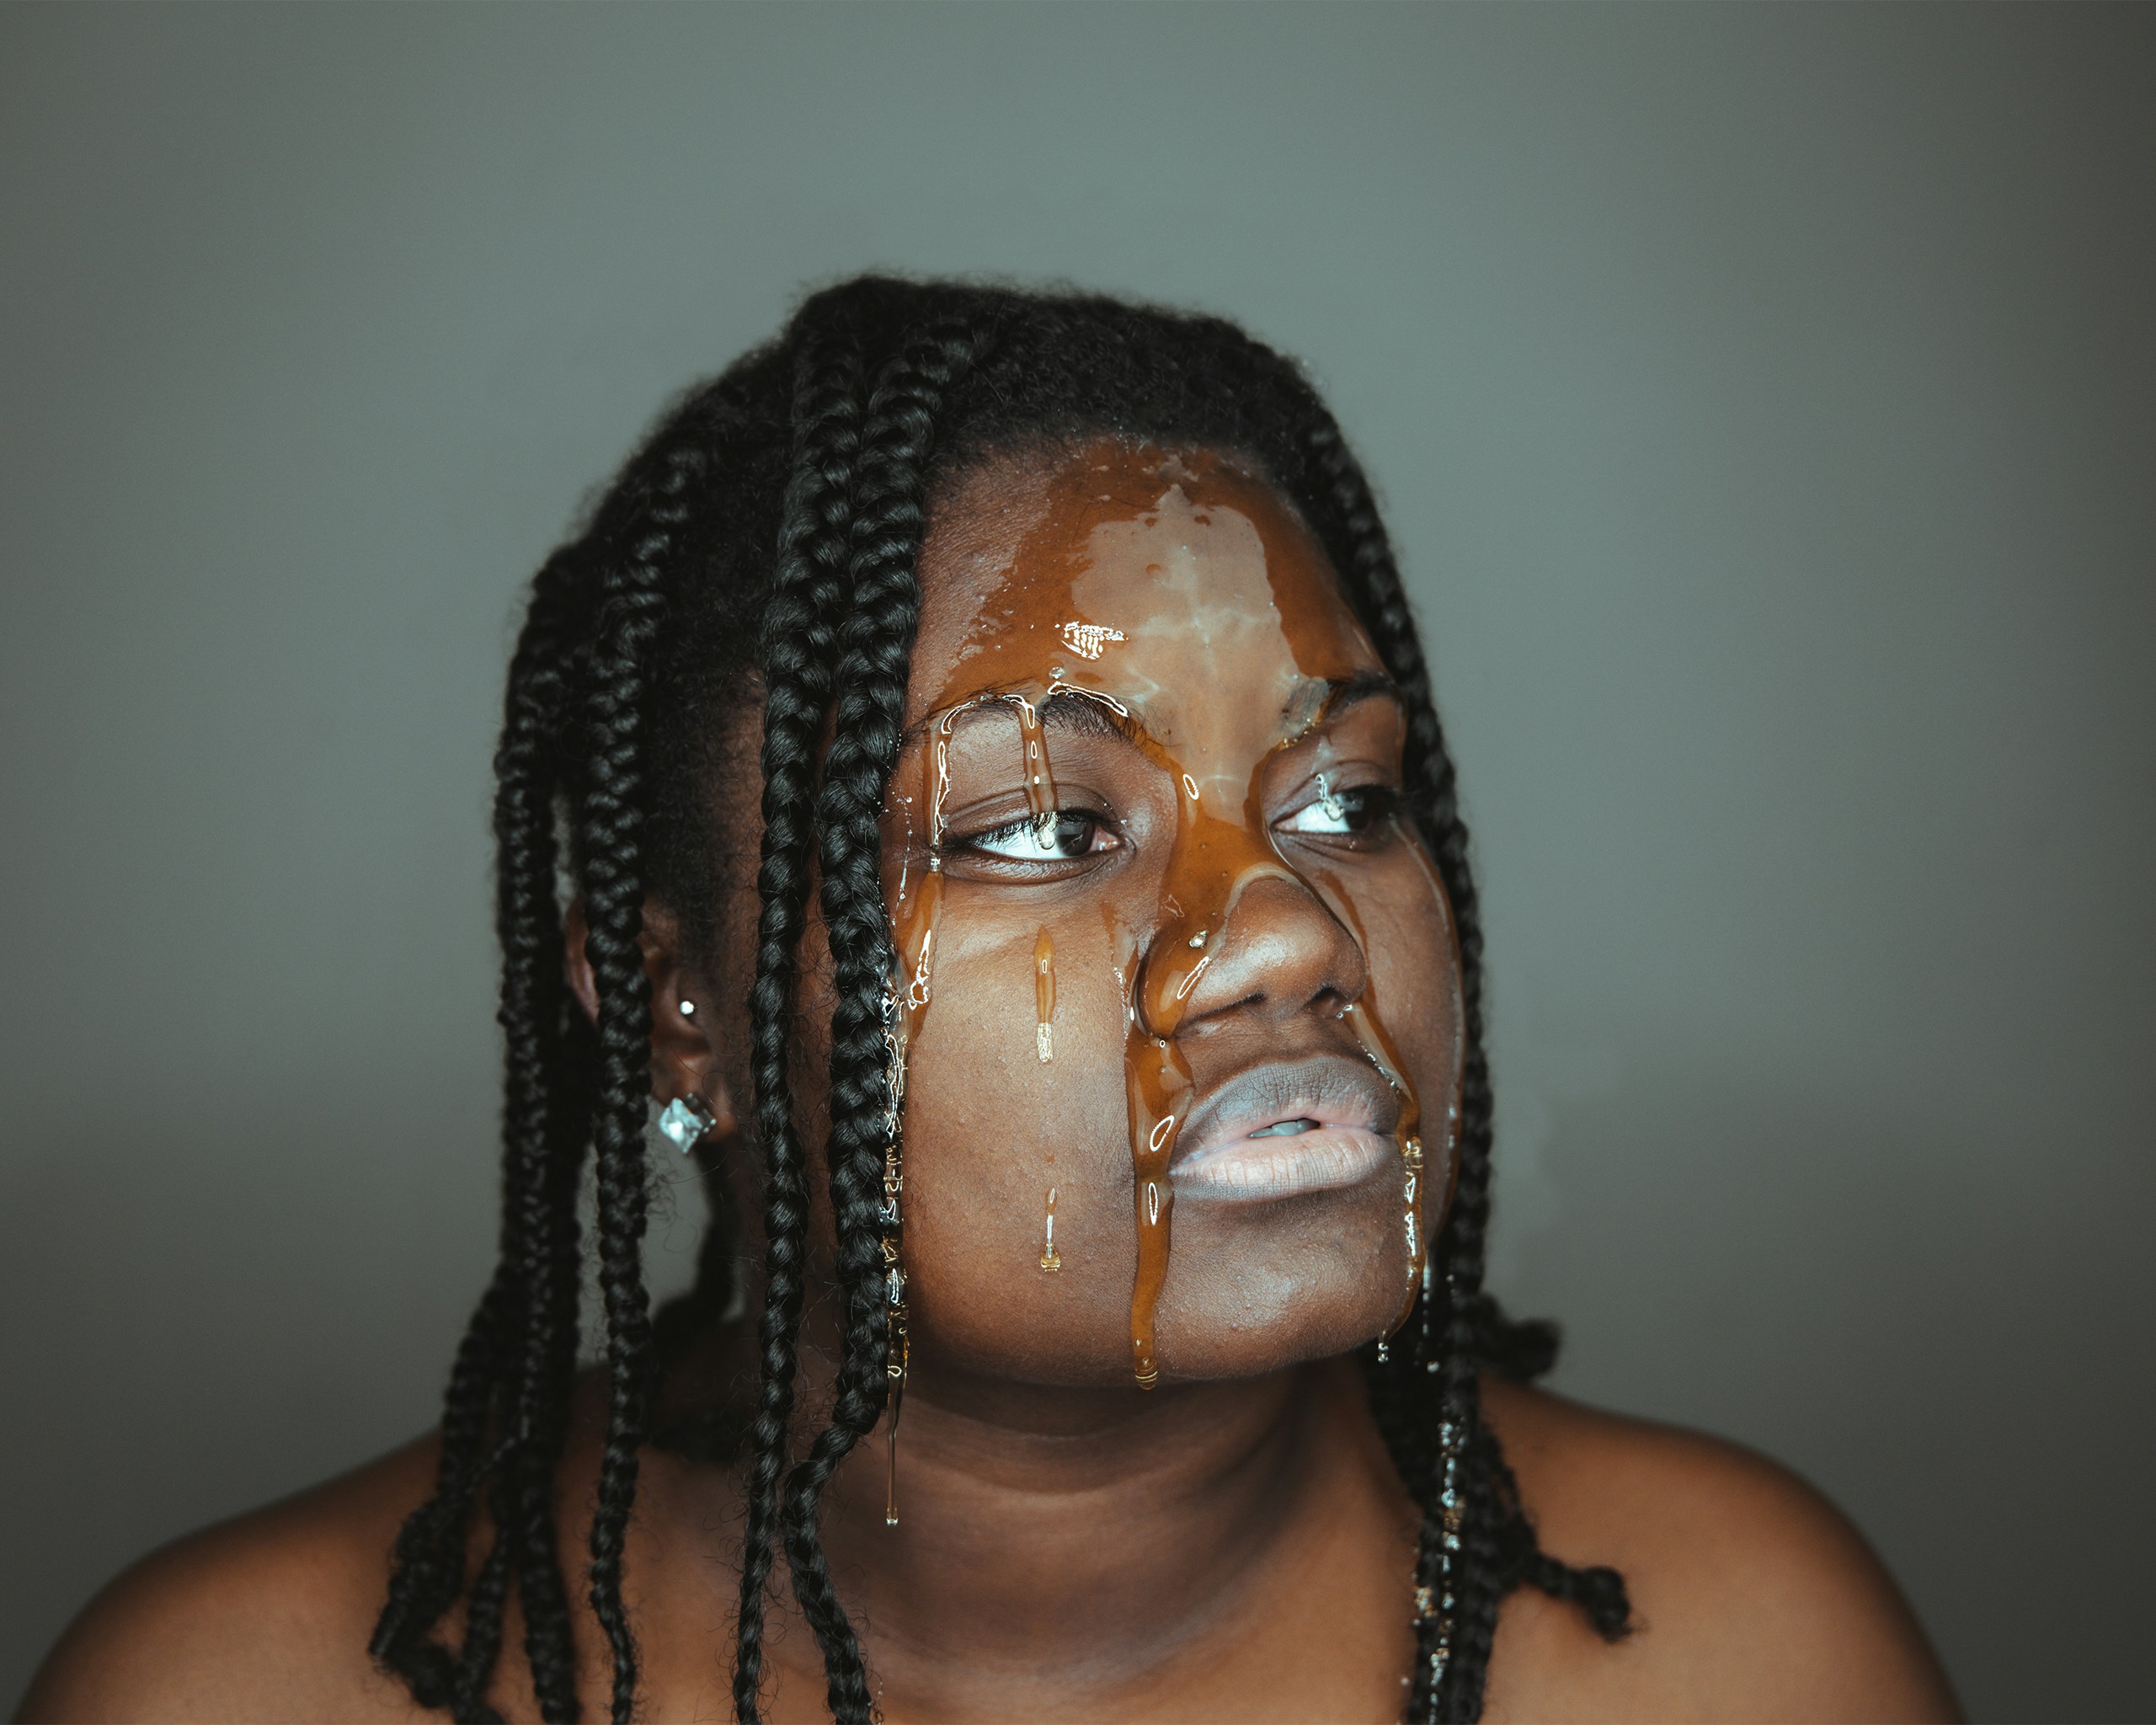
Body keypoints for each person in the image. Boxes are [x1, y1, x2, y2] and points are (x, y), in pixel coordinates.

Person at [19, 279, 1957, 1725]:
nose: (1286, 931)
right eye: (1037, 833)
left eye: (1343, 801)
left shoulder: (1732, 1652)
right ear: (676, 1006)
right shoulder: (238, 1690)